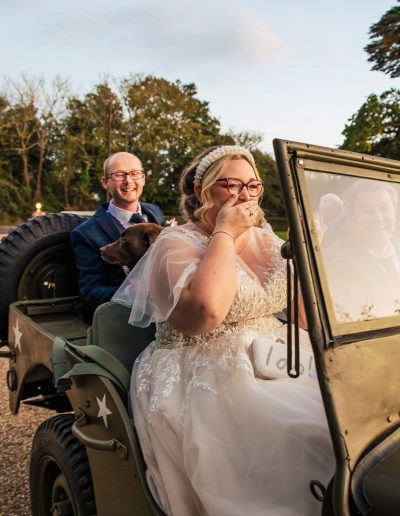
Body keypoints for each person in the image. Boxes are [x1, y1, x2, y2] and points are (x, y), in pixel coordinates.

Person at [113, 145, 334, 515]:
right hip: (203, 368)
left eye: (252, 185)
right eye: (231, 185)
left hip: (279, 356)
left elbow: (302, 318)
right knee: (305, 432)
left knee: (350, 417)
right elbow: (206, 314)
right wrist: (225, 233)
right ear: (201, 191)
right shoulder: (173, 242)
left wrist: (311, 252)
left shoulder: (267, 239)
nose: (244, 195)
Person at [71, 151, 164, 317]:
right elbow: (90, 292)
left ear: (143, 179)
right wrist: (131, 293)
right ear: (105, 182)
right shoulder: (85, 233)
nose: (128, 180)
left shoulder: (155, 212)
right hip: (124, 320)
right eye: (119, 174)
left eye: (135, 173)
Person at [323, 179, 400, 322]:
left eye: (384, 208)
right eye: (368, 210)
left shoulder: (397, 244)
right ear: (351, 219)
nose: (379, 217)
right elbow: (359, 318)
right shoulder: (335, 261)